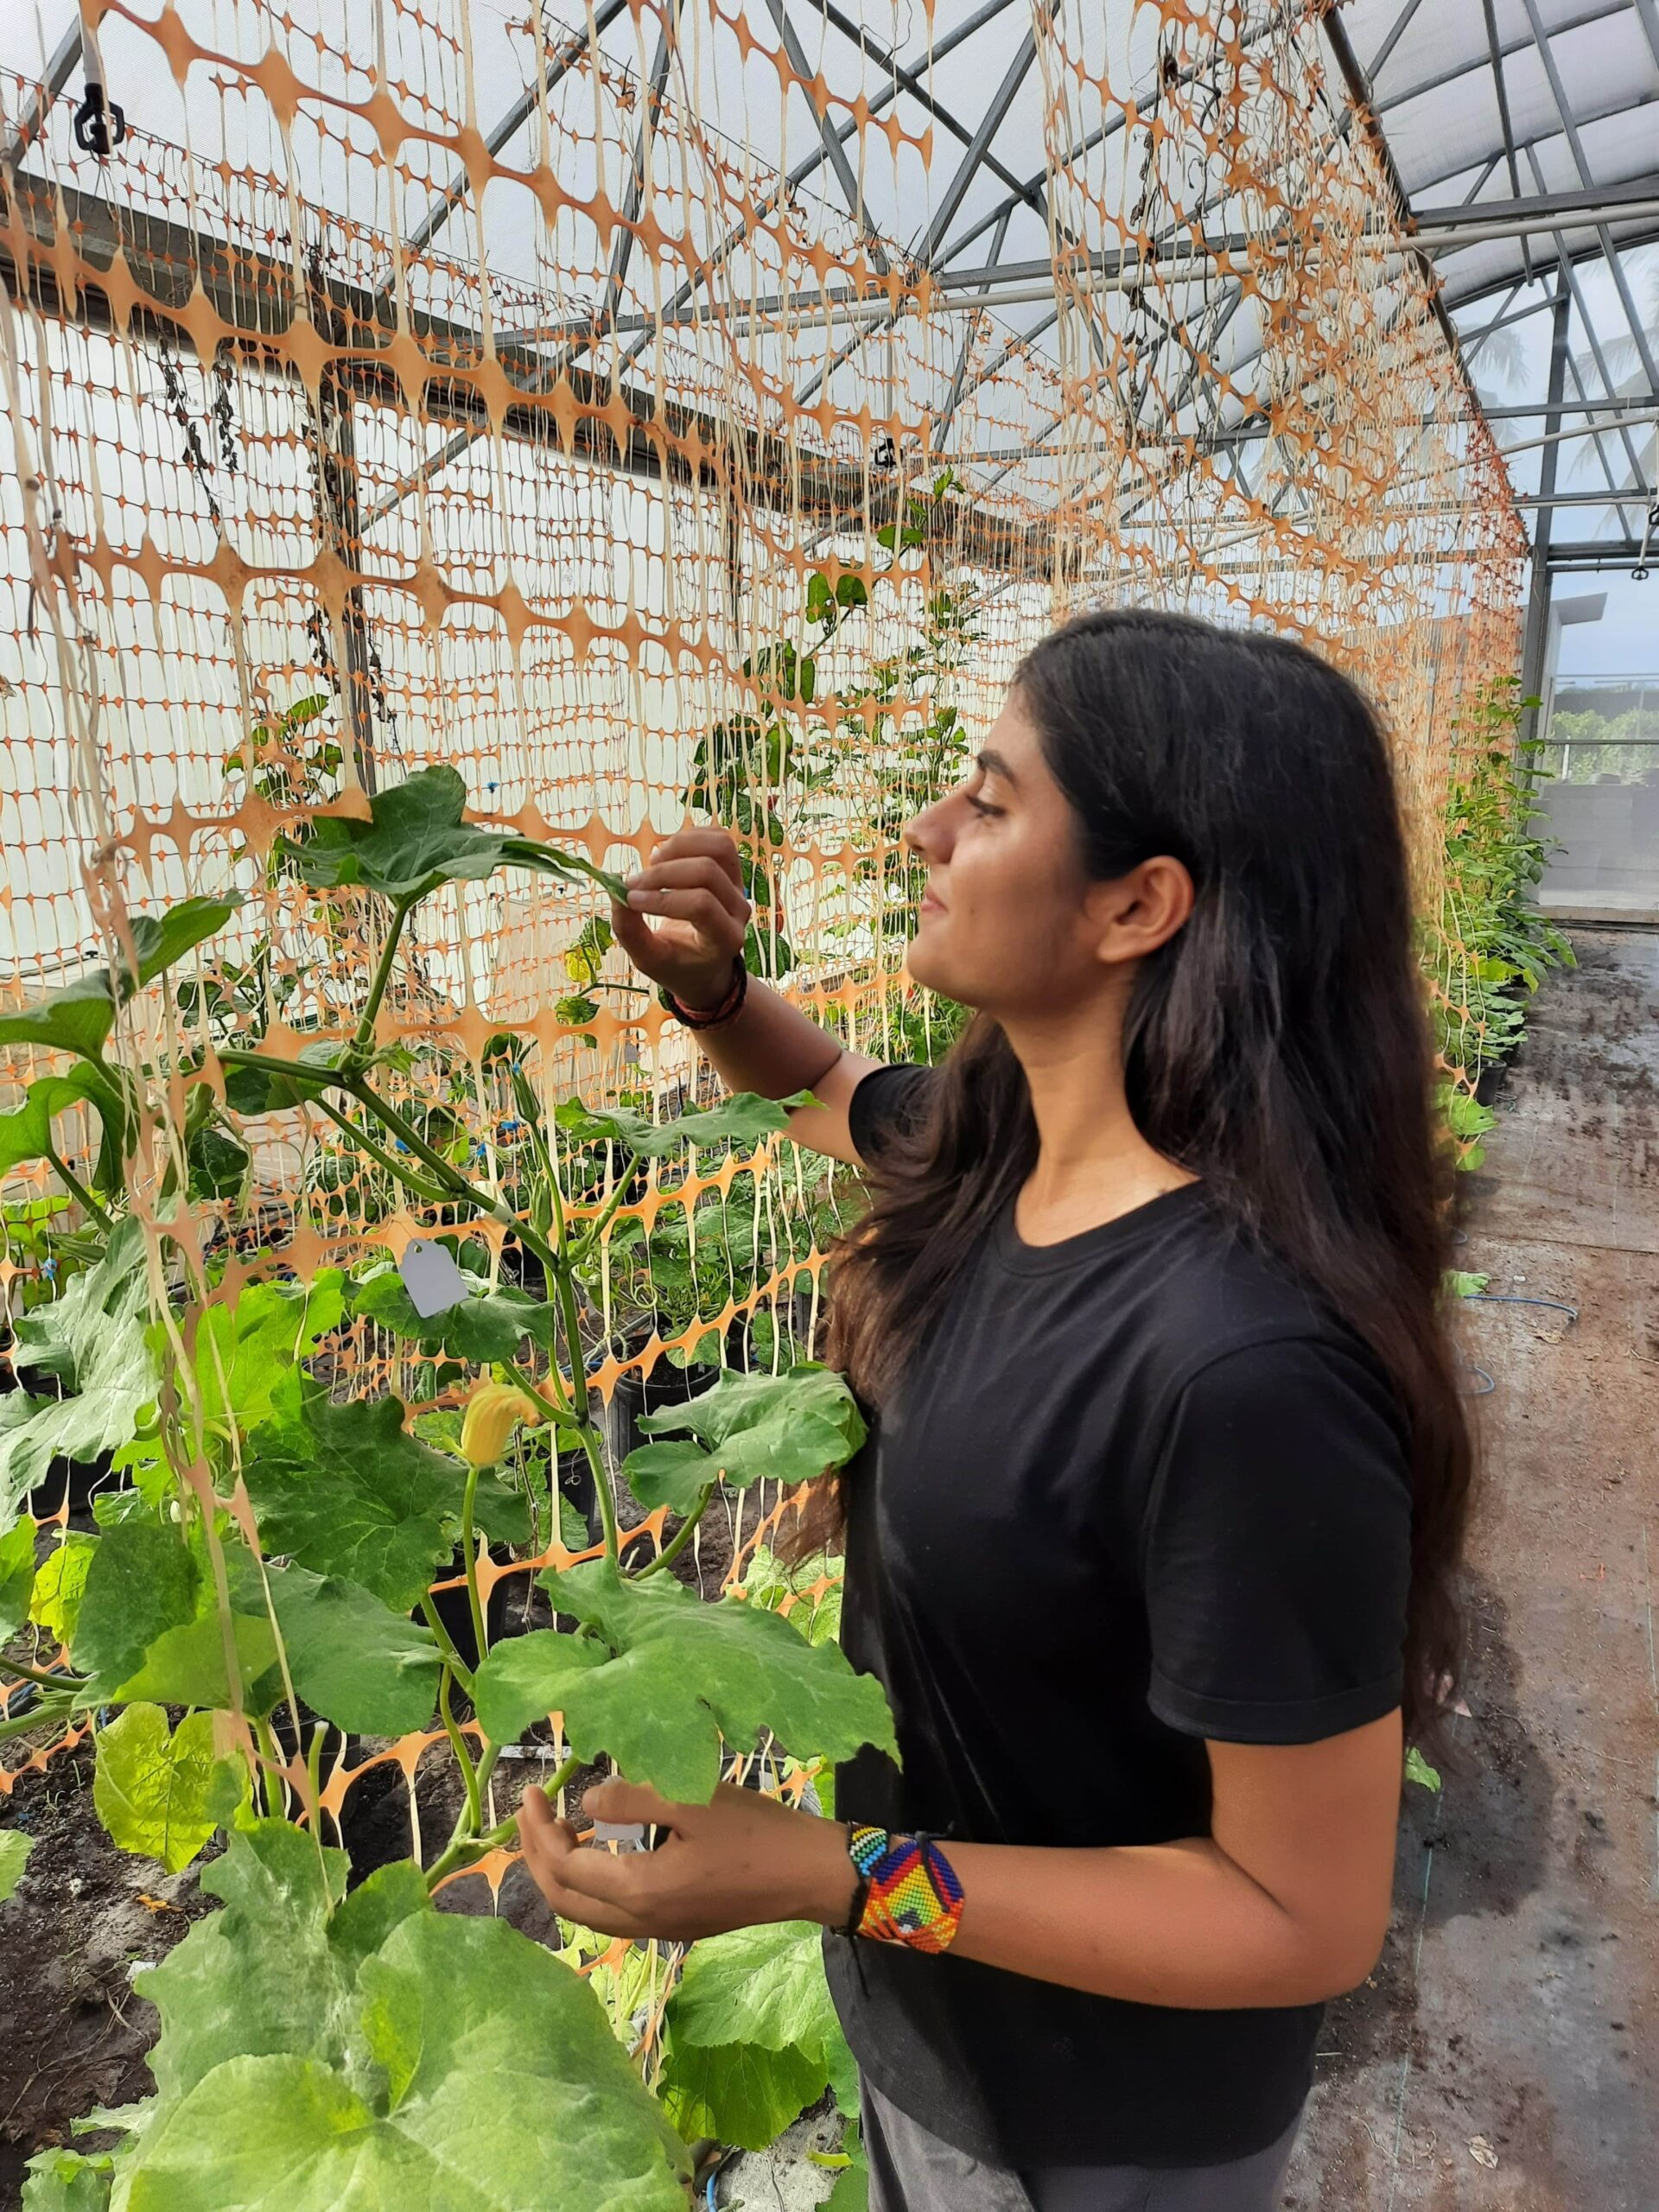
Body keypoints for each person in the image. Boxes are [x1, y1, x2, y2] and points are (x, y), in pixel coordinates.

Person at [518, 607, 1472, 2211]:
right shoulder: (1008, 1154)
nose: (926, 830)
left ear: (1138, 905)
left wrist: (831, 1870)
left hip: (1100, 2123)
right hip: (937, 2029)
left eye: (990, 797)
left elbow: (1301, 1917)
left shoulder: (1243, 1370)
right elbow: (825, 1087)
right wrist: (708, 995)